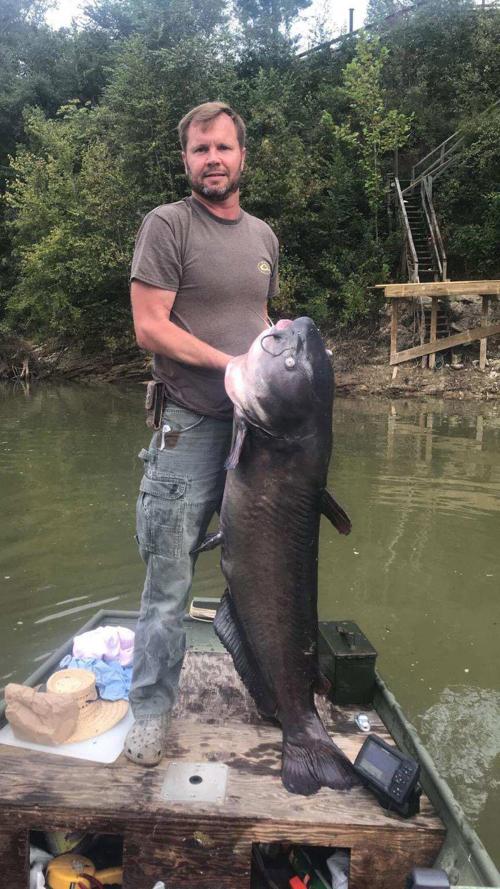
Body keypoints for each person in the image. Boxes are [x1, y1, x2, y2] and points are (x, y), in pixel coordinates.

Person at [124, 101, 279, 765]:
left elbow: (256, 314)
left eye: (222, 147)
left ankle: (272, 694)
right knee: (168, 582)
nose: (212, 159)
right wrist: (233, 365)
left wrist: (273, 345)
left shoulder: (264, 238)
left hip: (259, 430)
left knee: (266, 574)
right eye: (199, 150)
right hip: (190, 425)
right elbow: (149, 326)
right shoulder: (167, 225)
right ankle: (150, 714)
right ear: (186, 160)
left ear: (242, 155)